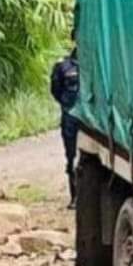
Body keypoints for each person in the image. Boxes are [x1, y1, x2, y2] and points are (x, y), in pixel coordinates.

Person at [50, 42, 80, 206]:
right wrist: (67, 105)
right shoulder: (63, 66)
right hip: (70, 116)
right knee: (71, 155)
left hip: (91, 119)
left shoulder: (95, 63)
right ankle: (74, 196)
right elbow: (55, 89)